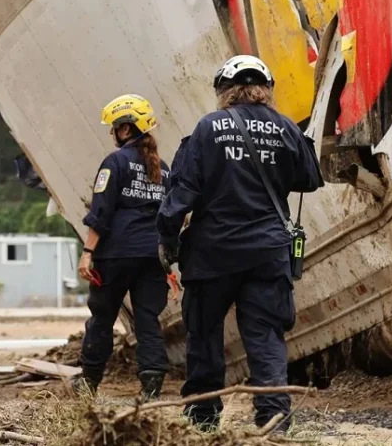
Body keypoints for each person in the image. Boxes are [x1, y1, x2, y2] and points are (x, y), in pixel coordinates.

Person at [157, 55, 324, 432]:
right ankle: (275, 422)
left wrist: (167, 241)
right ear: (266, 90)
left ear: (223, 92)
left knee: (204, 336)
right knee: (266, 338)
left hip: (212, 253)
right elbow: (311, 179)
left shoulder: (208, 128)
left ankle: (202, 420)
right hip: (267, 252)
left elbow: (181, 194)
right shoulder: (284, 128)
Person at [74, 94, 171, 400]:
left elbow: (101, 212)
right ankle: (152, 386)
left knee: (102, 318)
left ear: (126, 129)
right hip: (154, 255)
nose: (112, 133)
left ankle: (88, 382)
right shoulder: (164, 169)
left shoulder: (114, 163)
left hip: (116, 255)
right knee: (147, 319)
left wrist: (88, 253)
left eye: (114, 127)